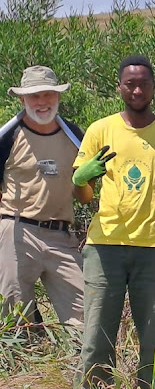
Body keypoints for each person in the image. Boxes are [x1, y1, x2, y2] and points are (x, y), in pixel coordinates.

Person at [72, 55, 155, 389]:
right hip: (104, 245)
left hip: (154, 246)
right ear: (119, 87)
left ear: (154, 88)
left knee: (154, 336)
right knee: (96, 333)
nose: (137, 89)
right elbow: (83, 193)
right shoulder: (100, 130)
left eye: (143, 83)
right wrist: (80, 178)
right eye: (130, 83)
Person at [0, 66, 85, 325]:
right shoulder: (8, 136)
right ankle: (22, 365)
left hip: (61, 236)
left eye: (48, 94)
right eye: (34, 96)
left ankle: (78, 364)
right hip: (17, 232)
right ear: (22, 99)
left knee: (85, 315)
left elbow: (84, 192)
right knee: (14, 319)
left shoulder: (74, 135)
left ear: (58, 97)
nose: (42, 102)